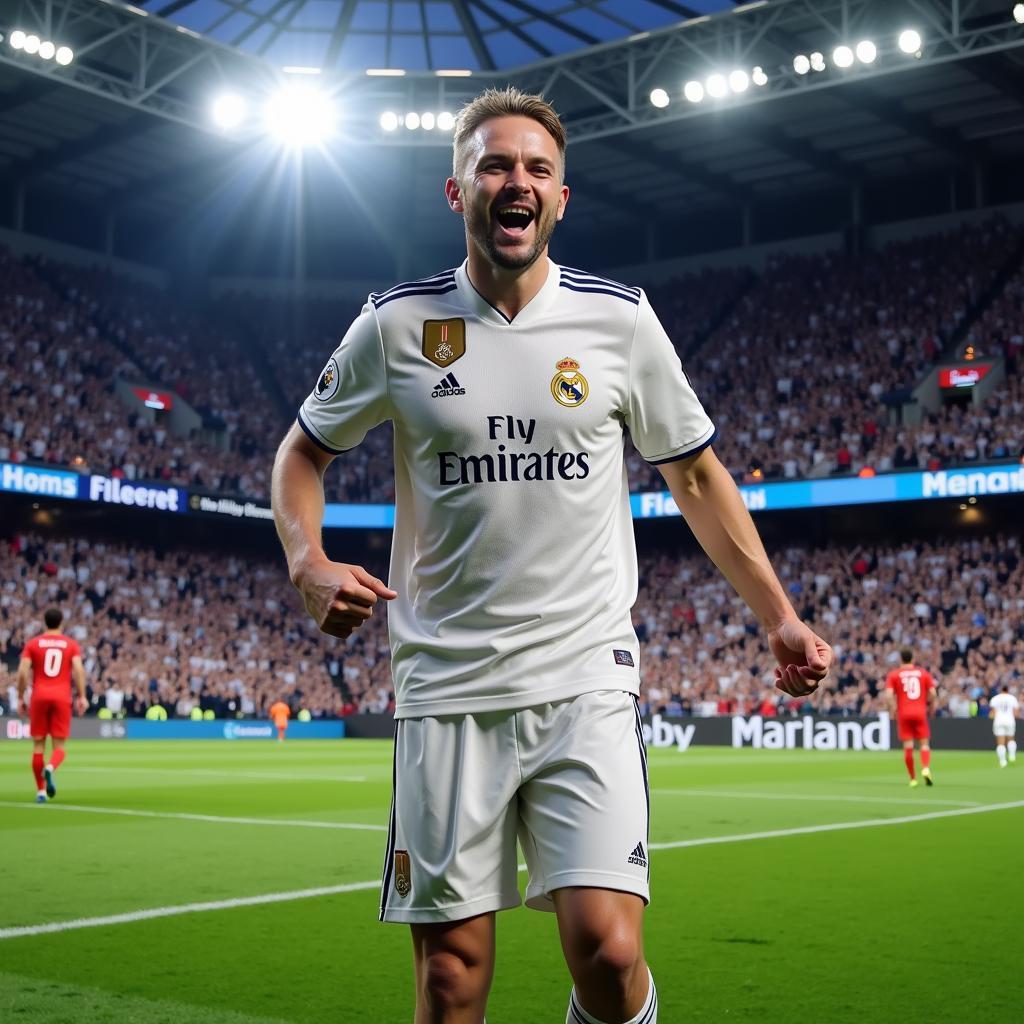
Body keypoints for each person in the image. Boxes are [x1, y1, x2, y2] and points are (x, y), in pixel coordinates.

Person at [271, 86, 832, 1024]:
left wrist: (778, 616)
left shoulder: (619, 321)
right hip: (447, 684)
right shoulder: (395, 325)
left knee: (608, 956)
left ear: (561, 199)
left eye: (537, 168)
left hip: (585, 676)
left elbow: (696, 477)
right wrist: (306, 560)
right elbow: (302, 453)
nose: (516, 181)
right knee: (453, 980)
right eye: (494, 165)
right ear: (458, 191)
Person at [16, 607, 88, 804]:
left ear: (44, 622)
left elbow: (22, 673)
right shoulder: (70, 644)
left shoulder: (33, 643)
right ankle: (50, 768)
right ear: (61, 622)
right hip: (61, 696)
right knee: (60, 746)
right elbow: (79, 671)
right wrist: (82, 696)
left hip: (39, 695)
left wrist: (21, 697)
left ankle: (40, 791)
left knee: (38, 744)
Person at [883, 648, 937, 787]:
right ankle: (925, 768)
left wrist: (893, 708)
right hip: (920, 712)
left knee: (908, 746)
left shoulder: (894, 675)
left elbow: (888, 695)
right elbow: (933, 693)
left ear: (901, 659)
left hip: (903, 713)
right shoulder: (923, 673)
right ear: (913, 658)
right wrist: (926, 702)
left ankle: (913, 779)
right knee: (924, 744)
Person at [990, 685, 1019, 767]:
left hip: (999, 721)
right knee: (1011, 738)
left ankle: (1003, 761)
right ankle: (1012, 755)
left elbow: (993, 713)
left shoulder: (995, 698)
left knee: (1000, 742)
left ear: (1000, 690)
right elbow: (1016, 713)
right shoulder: (1012, 698)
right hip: (1010, 721)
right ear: (1008, 690)